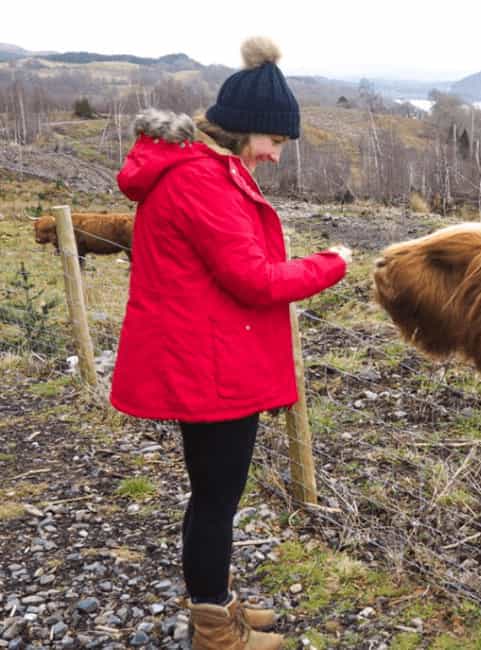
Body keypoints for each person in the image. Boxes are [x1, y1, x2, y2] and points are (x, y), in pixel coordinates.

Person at [110, 36, 350, 650]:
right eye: (274, 141)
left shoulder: (201, 171)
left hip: (206, 354)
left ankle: (218, 604)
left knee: (213, 495)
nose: (275, 155)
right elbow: (254, 280)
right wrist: (331, 263)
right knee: (216, 500)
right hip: (209, 366)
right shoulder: (202, 182)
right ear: (245, 130)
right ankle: (216, 630)